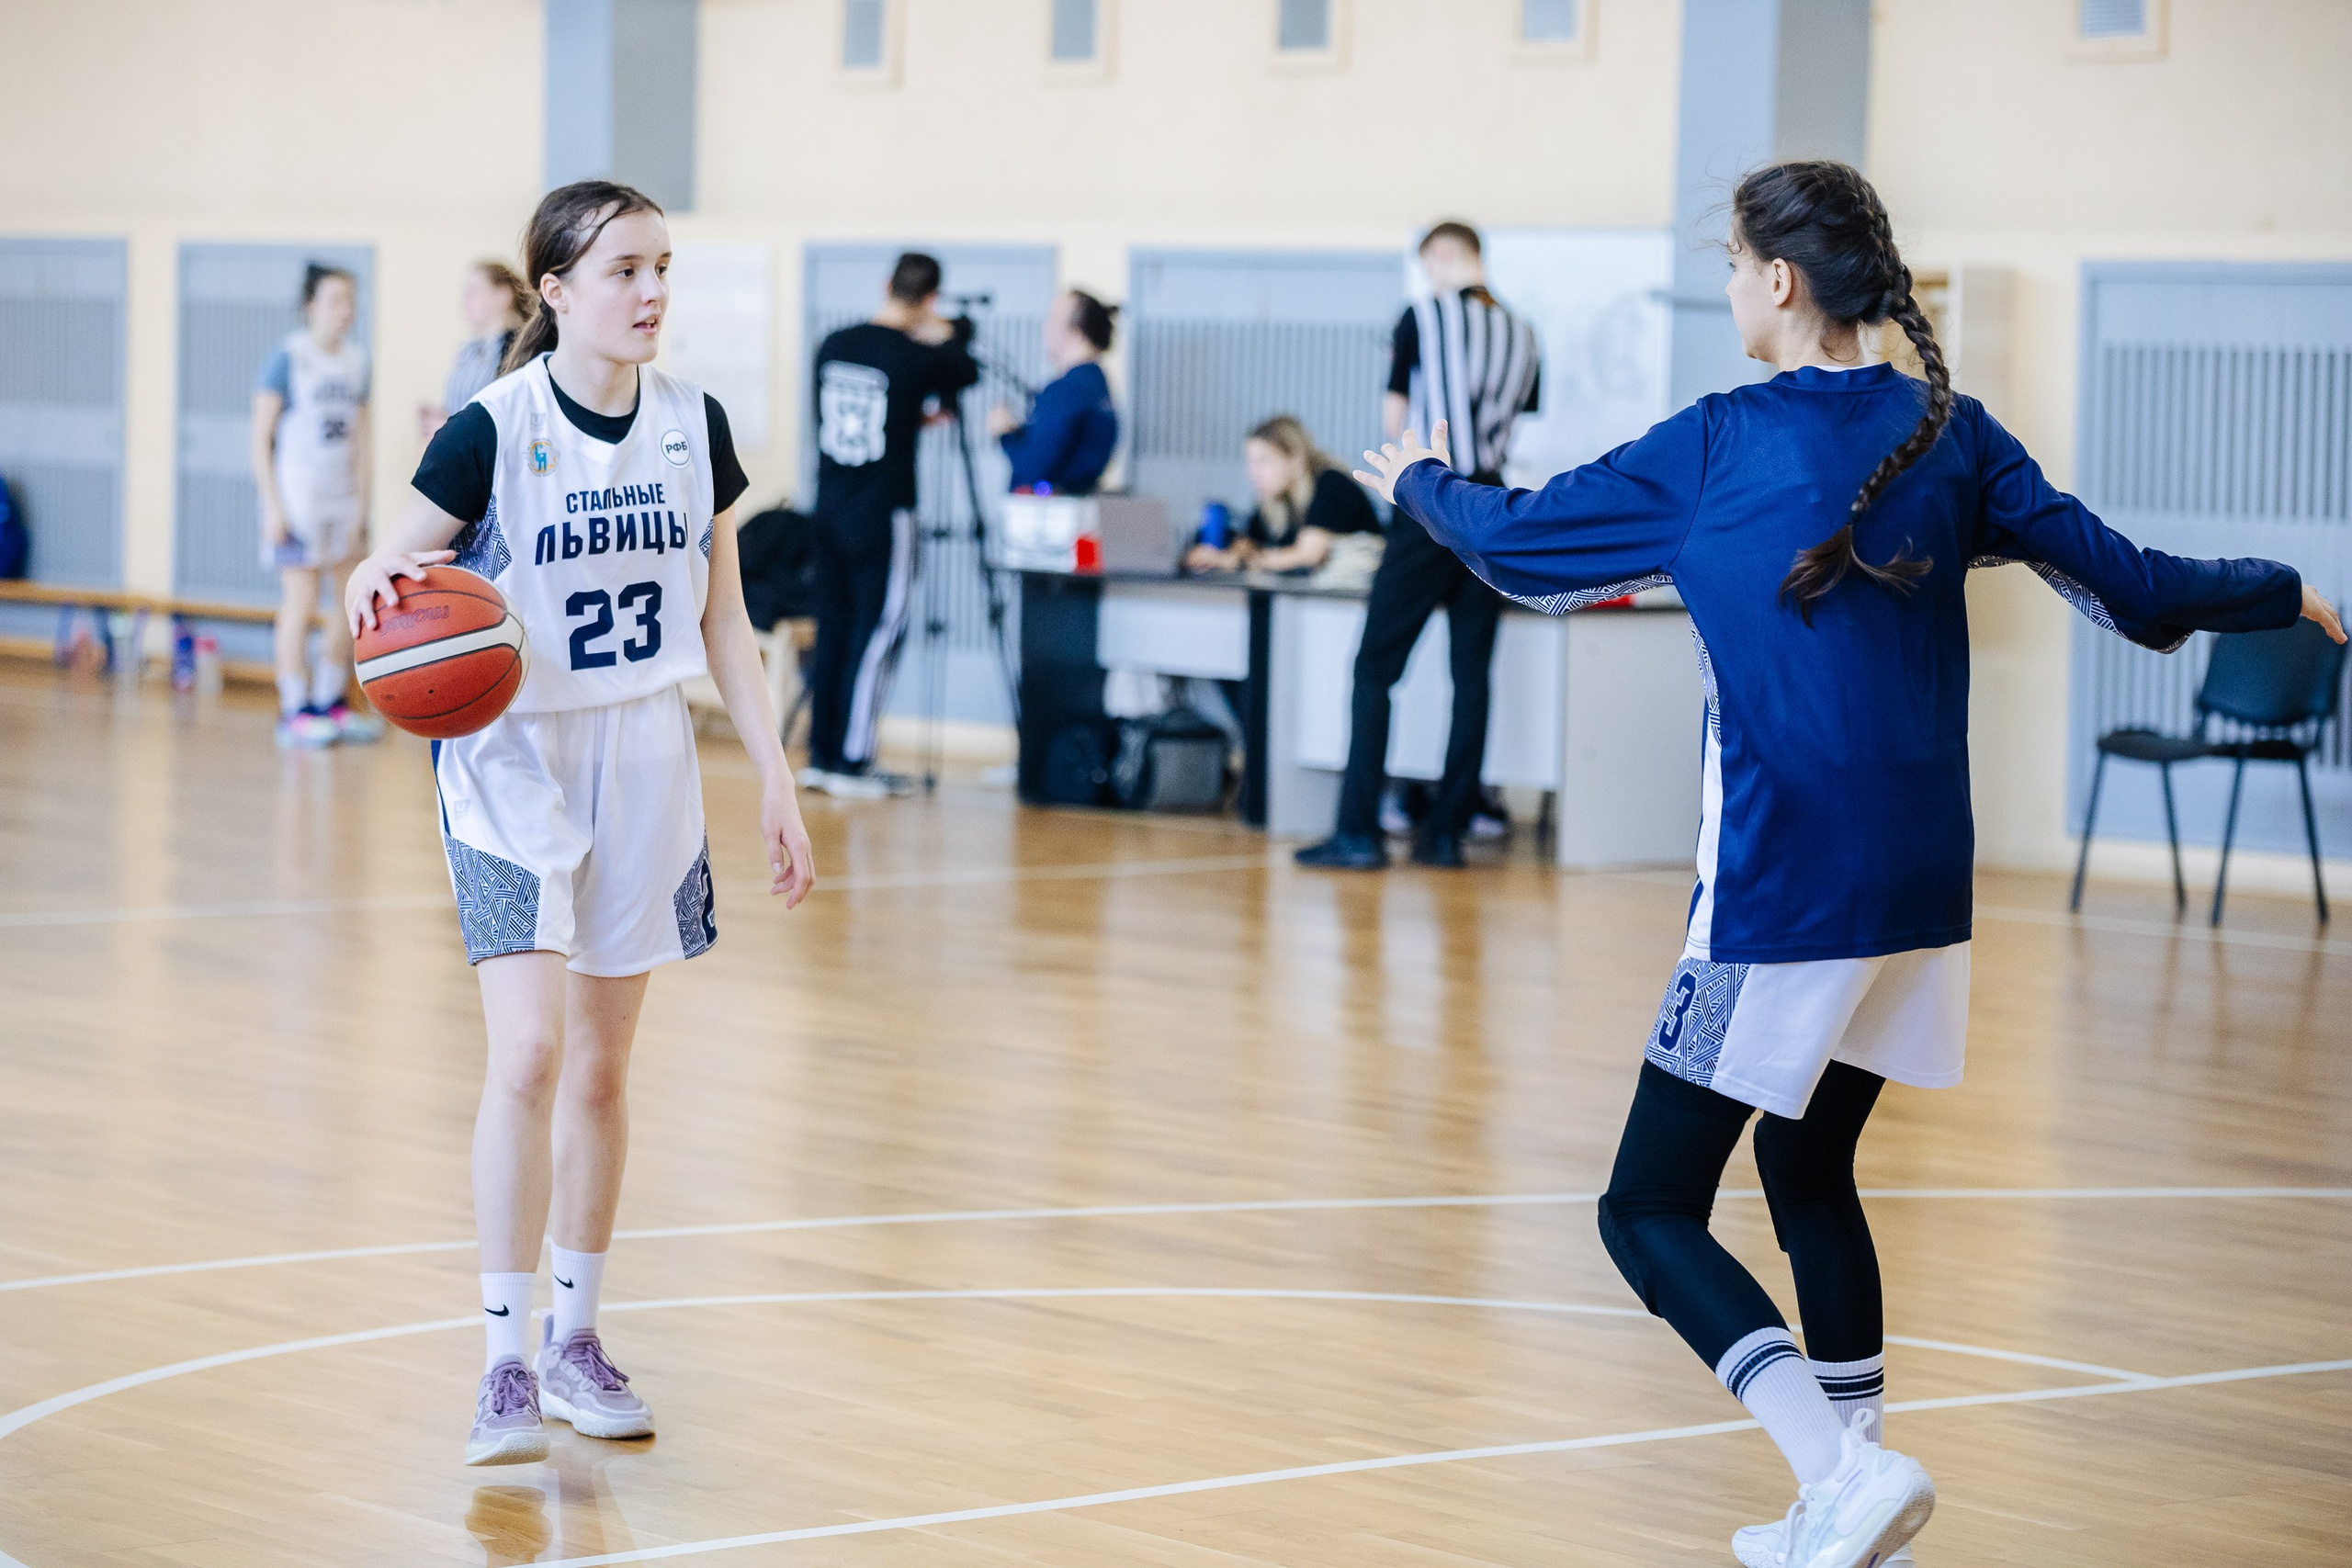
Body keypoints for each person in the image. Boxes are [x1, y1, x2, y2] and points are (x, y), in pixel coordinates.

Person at [1354, 160, 2344, 1568]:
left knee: (1642, 1207)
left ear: (1777, 280)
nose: (1726, 288)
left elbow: (1521, 550)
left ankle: (1833, 1467)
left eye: (1731, 264)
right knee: (1810, 1162)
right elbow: (2128, 581)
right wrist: (2276, 589)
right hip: (1921, 883)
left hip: (1786, 884)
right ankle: (1854, 1485)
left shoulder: (1719, 440)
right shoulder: (1954, 434)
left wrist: (1419, 483)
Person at [344, 179, 818, 1467]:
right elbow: (389, 578)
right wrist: (366, 580)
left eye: (662, 266)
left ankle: (576, 1336)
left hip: (647, 751)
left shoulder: (692, 425)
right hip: (508, 764)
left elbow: (723, 617)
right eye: (623, 270)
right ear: (554, 290)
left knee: (604, 1069)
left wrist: (774, 773)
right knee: (532, 1055)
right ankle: (501, 1357)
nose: (652, 291)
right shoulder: (486, 432)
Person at [1295, 220, 1540, 870]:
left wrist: (1404, 487)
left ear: (1440, 257)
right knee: (1470, 675)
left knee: (1374, 665)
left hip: (1434, 494)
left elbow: (1394, 421)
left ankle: (1357, 832)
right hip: (1494, 502)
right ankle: (1444, 835)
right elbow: (1521, 416)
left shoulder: (1421, 315)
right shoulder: (1523, 331)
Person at [800, 252, 980, 798]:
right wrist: (945, 331)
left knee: (833, 628)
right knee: (878, 632)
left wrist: (908, 417)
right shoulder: (917, 356)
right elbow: (964, 369)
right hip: (884, 514)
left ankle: (822, 754)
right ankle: (853, 761)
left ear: (885, 285)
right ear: (929, 300)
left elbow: (838, 417)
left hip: (829, 505)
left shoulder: (834, 344)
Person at [252, 263, 379, 748]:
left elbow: (363, 439)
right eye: (336, 301)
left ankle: (331, 701)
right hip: (297, 500)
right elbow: (259, 438)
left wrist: (362, 507)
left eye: (351, 300)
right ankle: (293, 709)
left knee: (350, 605)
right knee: (300, 604)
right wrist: (272, 507)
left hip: (342, 499)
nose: (347, 310)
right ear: (312, 306)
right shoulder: (288, 357)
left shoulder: (357, 360)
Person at [1183, 415, 1376, 575]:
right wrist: (1218, 555)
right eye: (1250, 462)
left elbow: (1308, 555)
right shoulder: (1277, 500)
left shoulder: (1332, 484)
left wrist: (1235, 562)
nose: (1253, 473)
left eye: (1263, 462)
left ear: (1295, 459)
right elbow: (1252, 544)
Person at [987, 288, 1119, 495]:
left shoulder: (1066, 390)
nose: (1046, 328)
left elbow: (1034, 471)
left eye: (1054, 319)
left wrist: (1005, 434)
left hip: (1052, 514)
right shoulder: (1097, 384)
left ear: (1077, 332)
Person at [420, 259, 532, 442]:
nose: (465, 300)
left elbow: (507, 422)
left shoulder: (520, 352)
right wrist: (440, 418)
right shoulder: (466, 351)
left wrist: (448, 428)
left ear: (504, 295)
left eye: (474, 292)